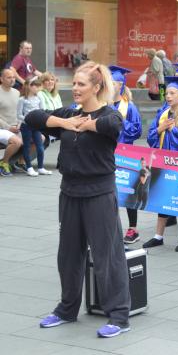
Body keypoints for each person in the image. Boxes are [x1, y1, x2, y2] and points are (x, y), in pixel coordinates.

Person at [27, 61, 131, 338]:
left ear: (96, 87)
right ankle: (67, 309)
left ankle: (119, 315)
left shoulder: (110, 114)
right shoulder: (68, 113)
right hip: (70, 191)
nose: (75, 88)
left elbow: (112, 126)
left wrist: (87, 125)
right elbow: (33, 118)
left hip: (99, 192)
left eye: (81, 84)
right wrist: (65, 123)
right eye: (73, 83)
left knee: (107, 254)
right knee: (69, 254)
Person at [142, 76, 178, 252]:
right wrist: (160, 129)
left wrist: (173, 131)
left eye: (172, 93)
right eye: (167, 93)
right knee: (161, 198)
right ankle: (158, 236)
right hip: (163, 161)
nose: (168, 96)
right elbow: (152, 137)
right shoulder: (163, 114)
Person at [108, 66, 144, 244]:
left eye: (112, 82)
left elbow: (137, 131)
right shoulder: (102, 104)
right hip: (105, 154)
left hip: (125, 155)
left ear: (120, 85)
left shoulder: (129, 107)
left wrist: (119, 122)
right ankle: (109, 228)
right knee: (107, 193)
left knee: (128, 191)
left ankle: (133, 229)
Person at [17, 76, 50, 176]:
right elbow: (18, 115)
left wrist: (39, 120)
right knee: (26, 146)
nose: (38, 88)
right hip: (26, 126)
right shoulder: (22, 100)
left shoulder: (39, 98)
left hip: (36, 126)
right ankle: (29, 167)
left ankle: (40, 167)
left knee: (40, 146)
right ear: (30, 86)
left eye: (39, 86)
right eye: (36, 86)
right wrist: (27, 120)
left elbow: (42, 110)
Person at [0, 69, 22, 175]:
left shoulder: (17, 92)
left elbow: (18, 112)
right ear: (1, 79)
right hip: (2, 129)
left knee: (40, 138)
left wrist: (19, 123)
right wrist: (8, 127)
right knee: (17, 142)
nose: (12, 80)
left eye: (13, 77)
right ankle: (4, 164)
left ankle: (13, 162)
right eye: (9, 77)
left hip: (15, 127)